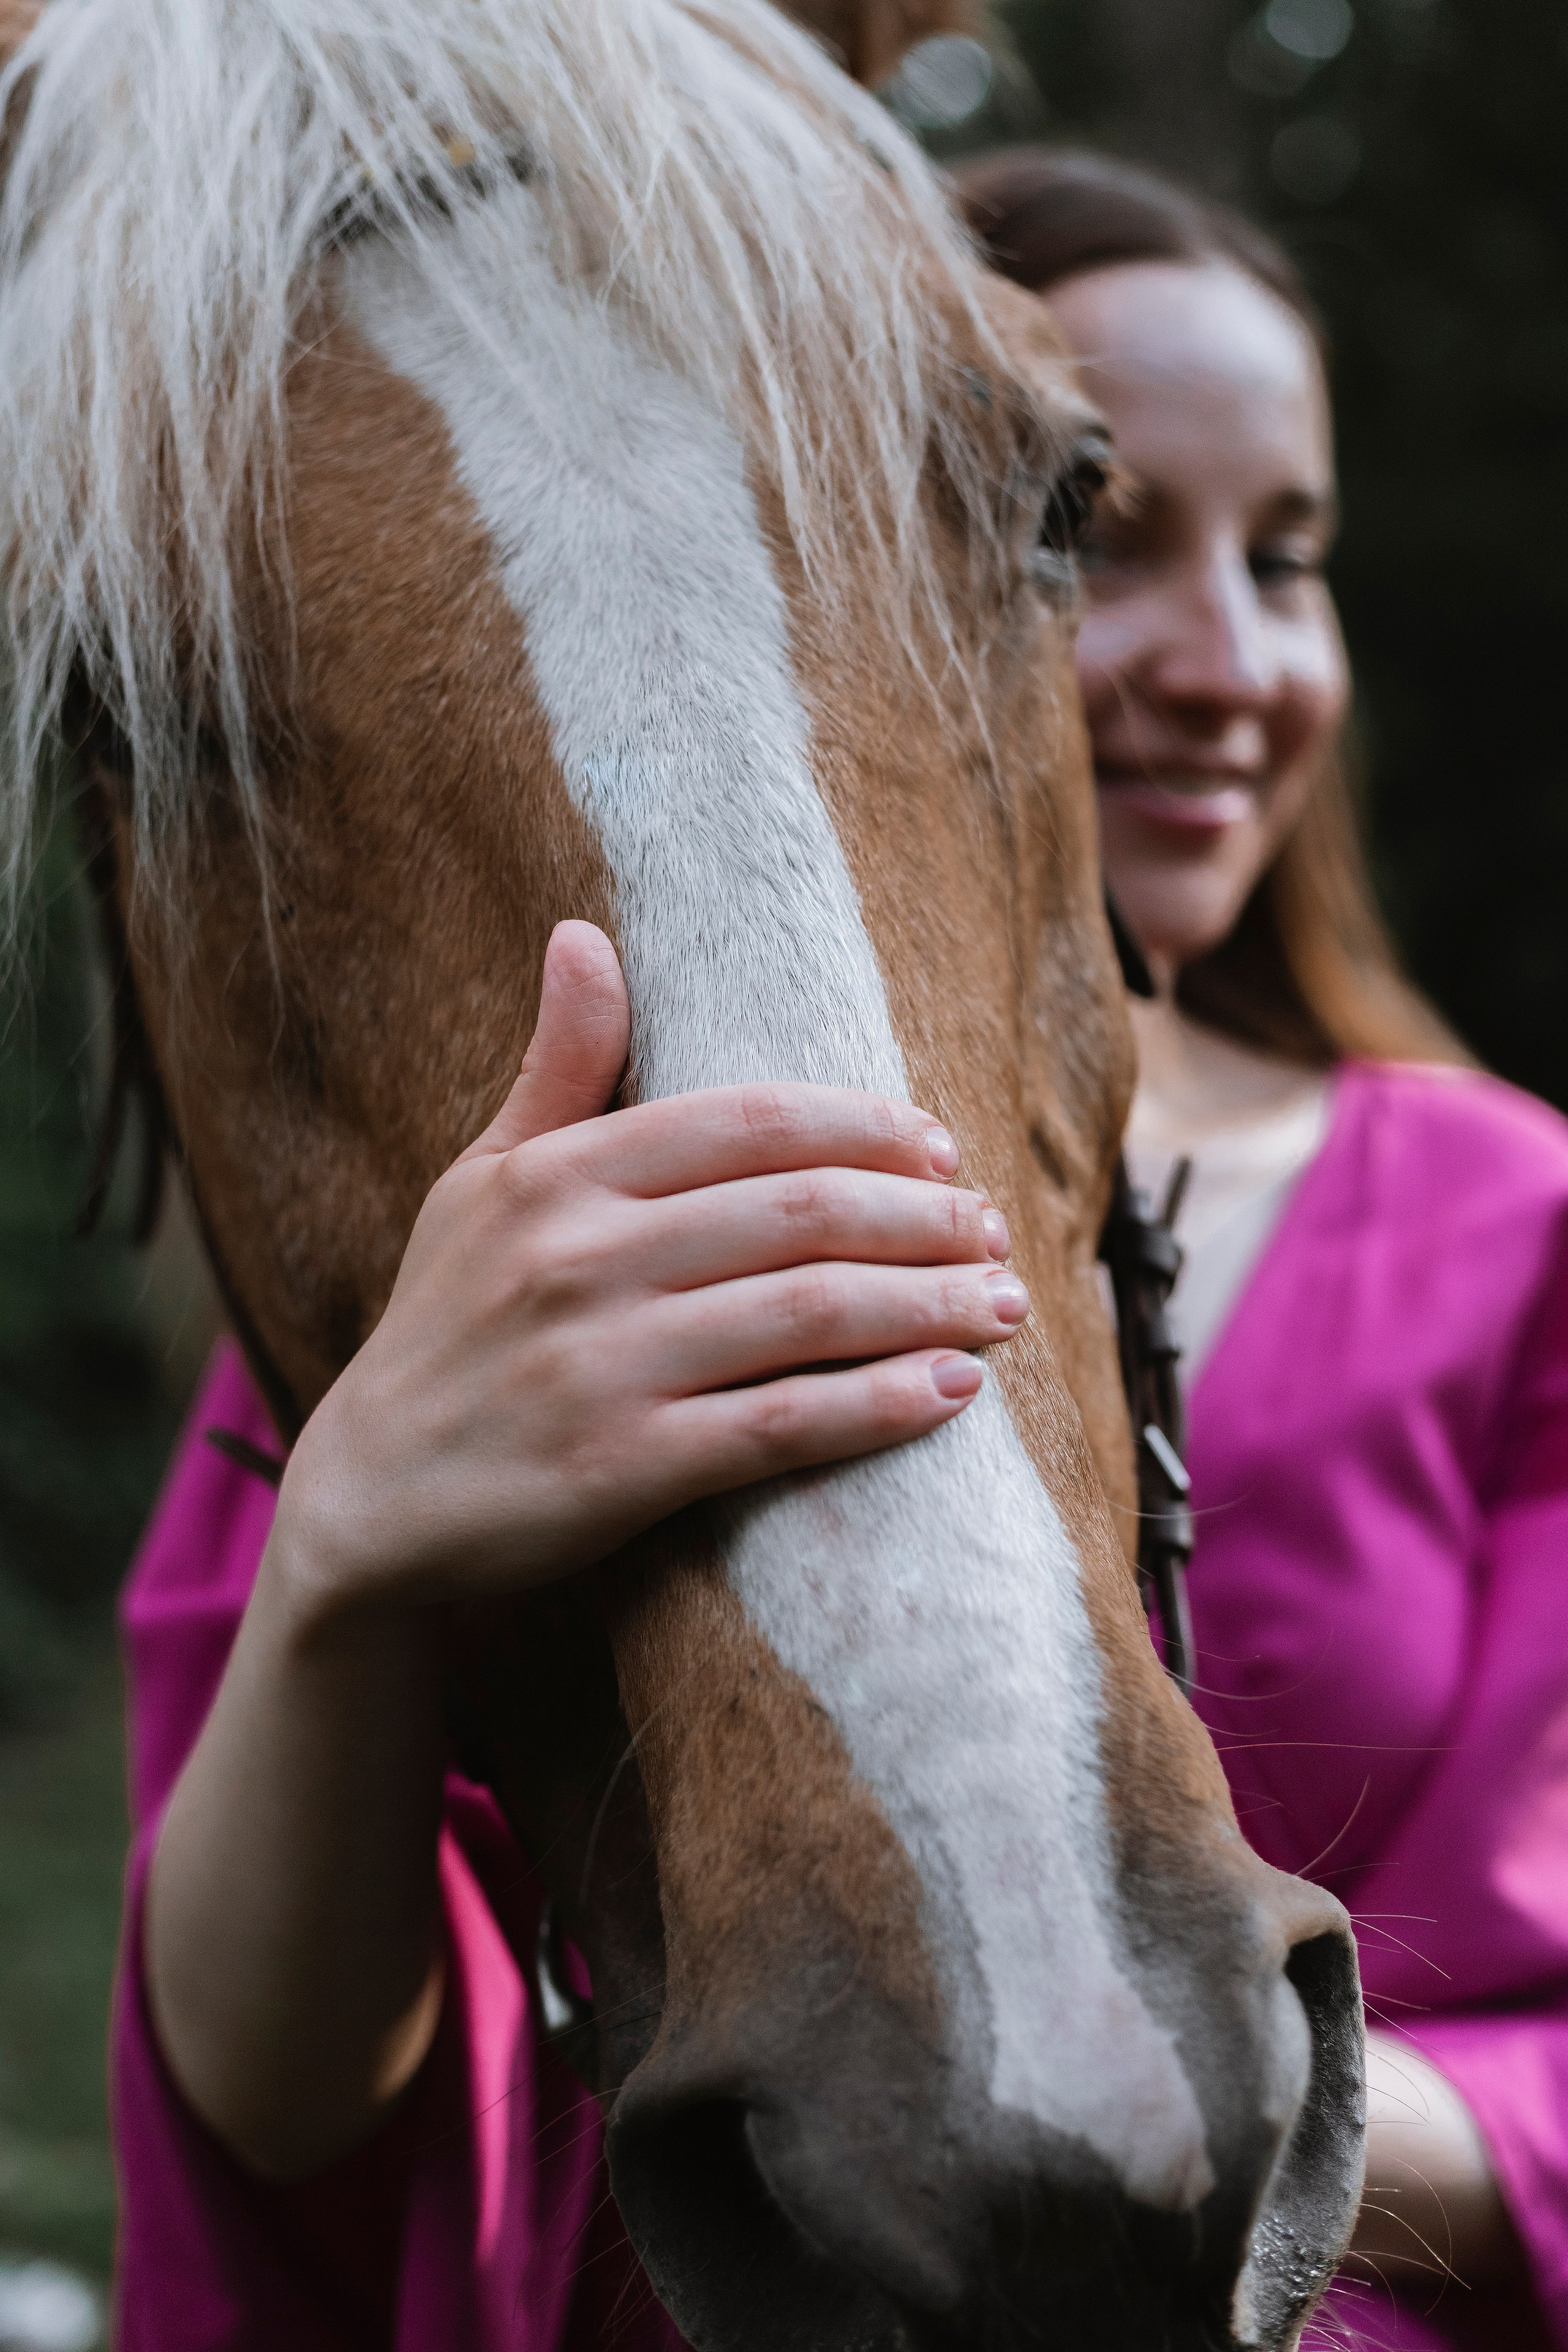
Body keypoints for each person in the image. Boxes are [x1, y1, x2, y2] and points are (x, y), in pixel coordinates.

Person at [957, 145, 1568, 2352]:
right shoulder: (603, 1211)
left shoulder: (1515, 1224)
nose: (1229, 664)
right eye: (1102, 540)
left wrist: (1192, 2111)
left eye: (1288, 561)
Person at [111, 921, 1029, 2348]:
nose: (1207, 684)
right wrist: (330, 1563)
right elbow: (279, 2098)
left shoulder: (1477, 1209)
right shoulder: (472, 1317)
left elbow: (1518, 2050)